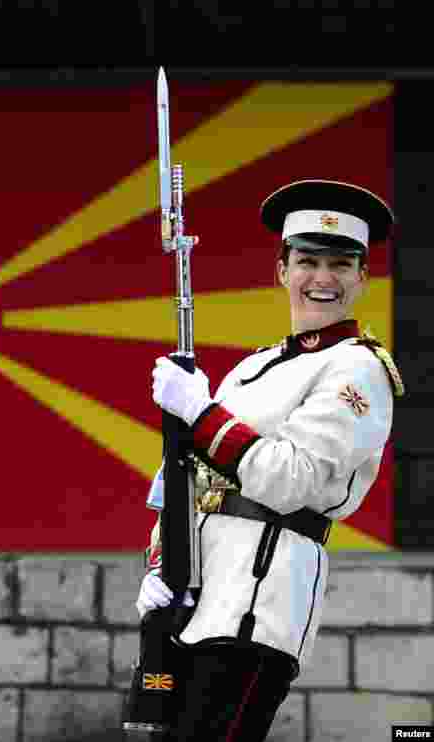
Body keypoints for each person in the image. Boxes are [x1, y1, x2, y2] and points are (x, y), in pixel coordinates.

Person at [136, 179, 403, 740]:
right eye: (307, 260)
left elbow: (290, 479)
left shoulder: (359, 369)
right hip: (192, 602)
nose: (322, 279)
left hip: (258, 608)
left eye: (340, 263)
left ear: (363, 278)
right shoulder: (252, 370)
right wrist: (159, 565)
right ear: (282, 270)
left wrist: (201, 413)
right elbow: (181, 482)